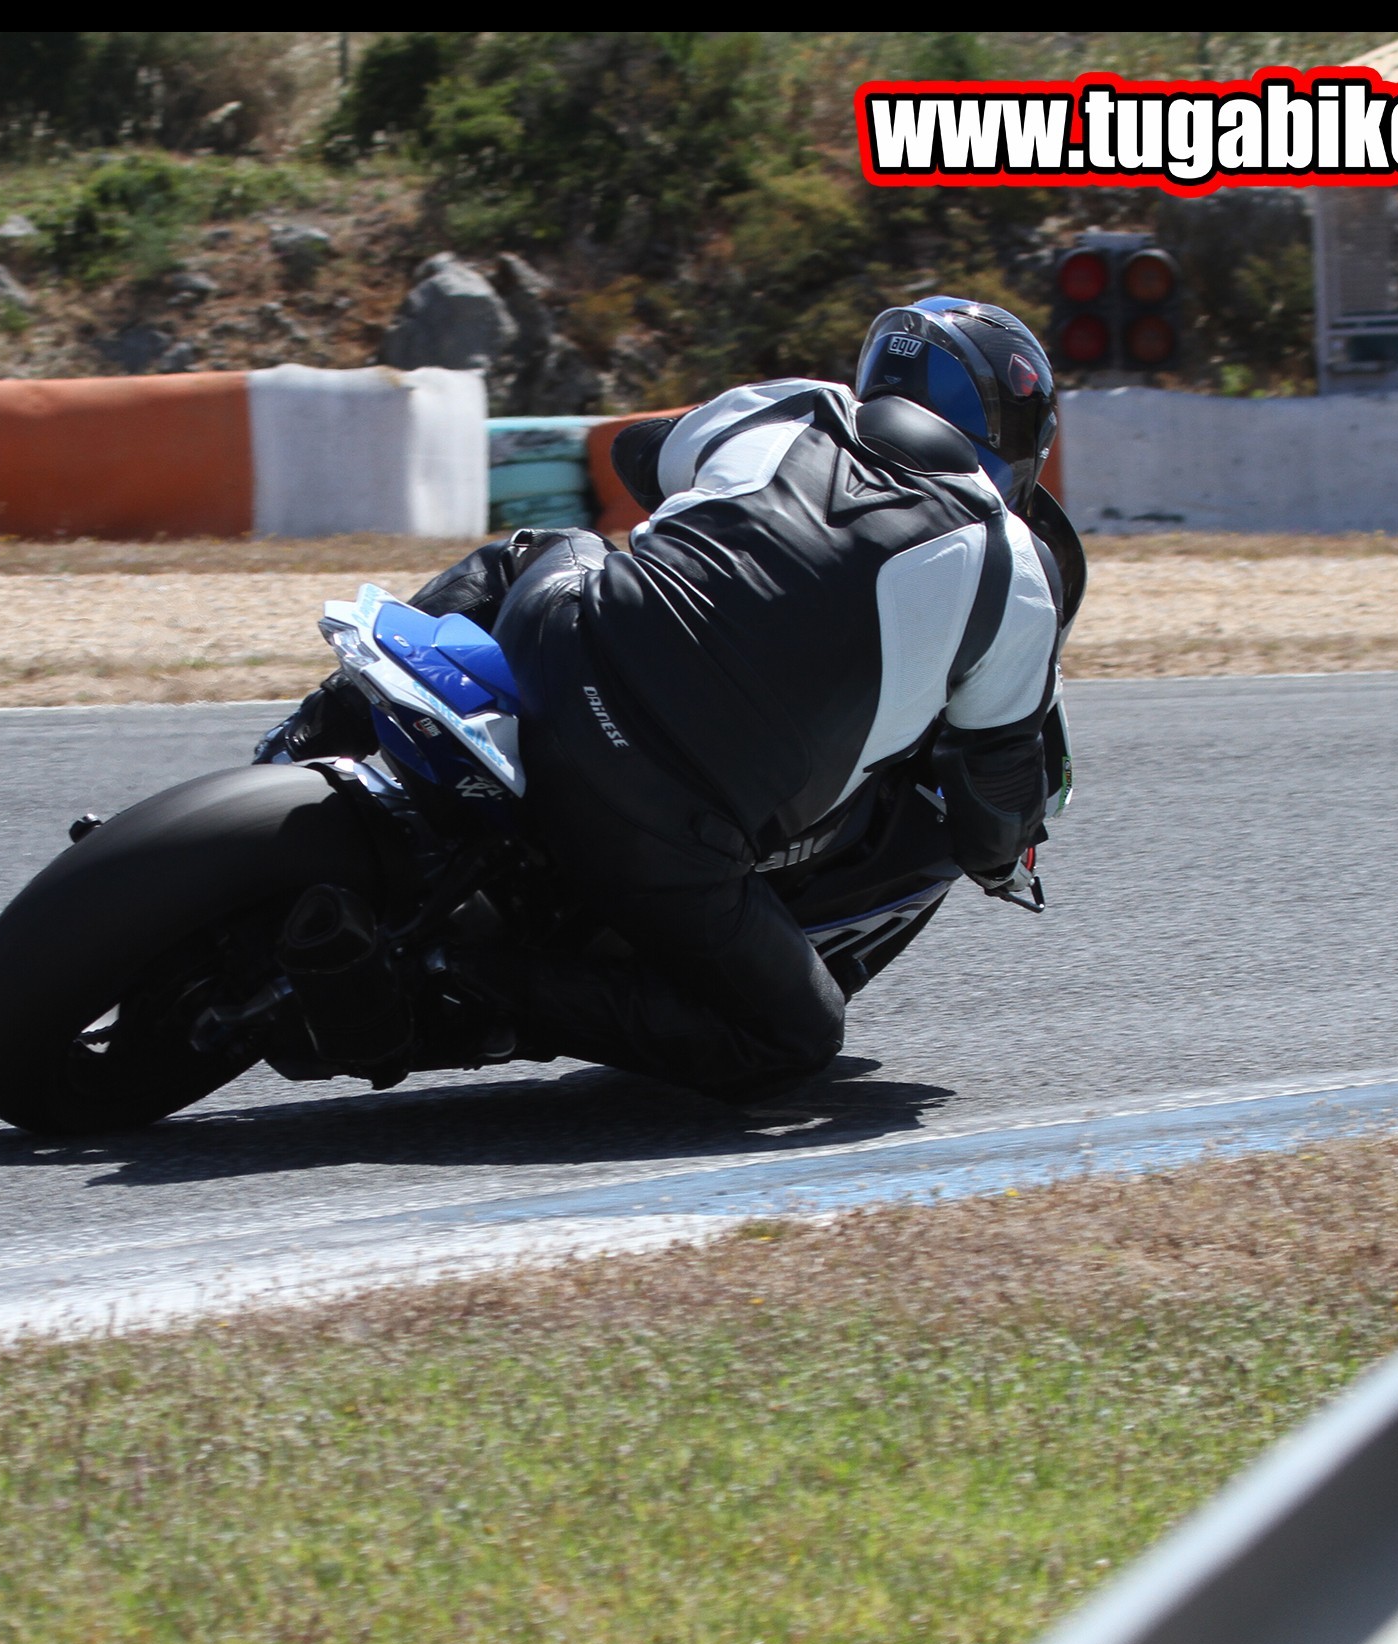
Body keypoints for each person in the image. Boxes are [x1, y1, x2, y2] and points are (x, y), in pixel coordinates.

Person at [257, 296, 1085, 1100]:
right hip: (664, 815)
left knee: (542, 552)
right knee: (793, 1036)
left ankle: (299, 737)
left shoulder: (791, 405)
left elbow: (638, 460)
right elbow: (998, 782)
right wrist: (998, 852)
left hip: (560, 642)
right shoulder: (1013, 565)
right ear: (1019, 435)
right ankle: (458, 972)